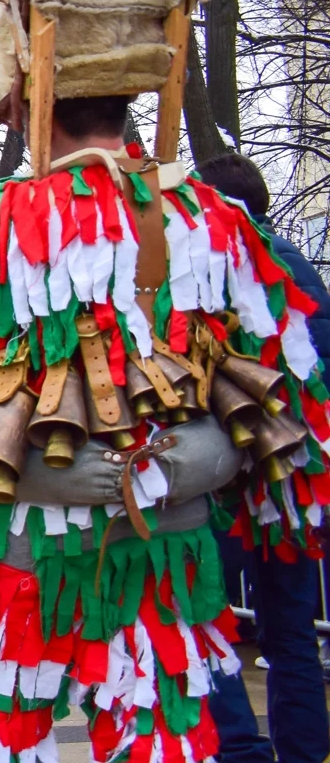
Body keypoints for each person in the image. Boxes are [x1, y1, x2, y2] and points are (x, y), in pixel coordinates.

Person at [0, 96, 325, 763]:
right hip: (170, 517)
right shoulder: (211, 217)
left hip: (32, 519)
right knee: (160, 717)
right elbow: (283, 361)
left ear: (30, 111)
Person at [195, 152, 330, 763]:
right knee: (293, 633)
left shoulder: (211, 262)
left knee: (209, 620)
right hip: (297, 483)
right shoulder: (302, 270)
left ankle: (240, 752)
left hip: (230, 476)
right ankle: (302, 752)